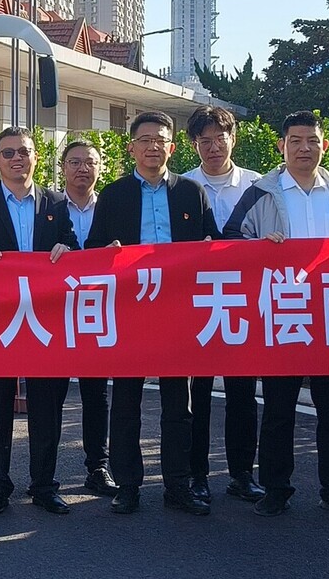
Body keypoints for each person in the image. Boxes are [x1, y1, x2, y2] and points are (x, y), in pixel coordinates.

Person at [223, 111, 329, 519]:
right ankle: (276, 489)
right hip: (284, 312)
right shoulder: (261, 192)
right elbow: (231, 240)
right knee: (279, 409)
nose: (304, 148)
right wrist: (260, 246)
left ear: (324, 145)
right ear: (282, 146)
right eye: (295, 140)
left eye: (311, 140)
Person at [85, 113, 220, 516]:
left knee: (179, 405)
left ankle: (178, 484)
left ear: (172, 148)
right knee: (126, 404)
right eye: (144, 140)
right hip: (130, 311)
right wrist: (107, 252)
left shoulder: (191, 192)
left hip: (178, 312)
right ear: (131, 148)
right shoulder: (114, 195)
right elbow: (92, 249)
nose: (152, 147)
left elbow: (212, 243)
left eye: (160, 140)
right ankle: (128, 485)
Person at [0, 126, 77, 516]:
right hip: (0, 319)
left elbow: (73, 248)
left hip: (45, 319)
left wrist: (66, 249)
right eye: (8, 153)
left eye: (24, 152)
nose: (17, 159)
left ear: (35, 157)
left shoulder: (56, 203)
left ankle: (44, 486)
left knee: (47, 409)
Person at [186, 105, 263, 503]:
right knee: (196, 396)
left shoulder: (258, 185)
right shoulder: (181, 186)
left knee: (242, 394)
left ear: (234, 139)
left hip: (244, 302)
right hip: (195, 304)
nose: (214, 147)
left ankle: (242, 474)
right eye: (205, 141)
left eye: (221, 138)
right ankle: (196, 475)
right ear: (193, 144)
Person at [57, 138, 114, 496]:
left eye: (90, 162)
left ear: (100, 168)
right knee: (51, 395)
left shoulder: (114, 206)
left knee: (96, 394)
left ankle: (99, 466)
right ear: (62, 167)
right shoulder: (47, 206)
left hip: (99, 311)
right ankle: (43, 474)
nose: (82, 168)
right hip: (54, 313)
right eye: (75, 162)